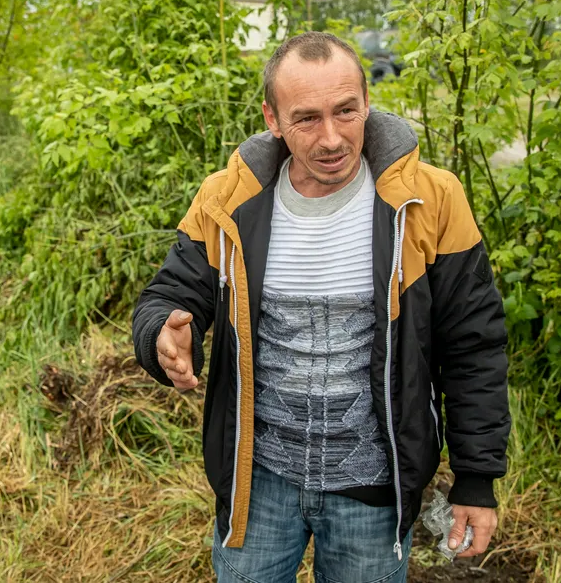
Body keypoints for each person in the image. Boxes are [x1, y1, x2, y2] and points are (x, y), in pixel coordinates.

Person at [132, 32, 510, 582]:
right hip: (255, 486)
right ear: (273, 118)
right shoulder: (227, 199)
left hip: (376, 494)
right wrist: (161, 338)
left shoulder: (430, 201)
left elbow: (474, 343)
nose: (332, 138)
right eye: (307, 119)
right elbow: (167, 296)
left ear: (366, 103)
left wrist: (476, 477)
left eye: (346, 111)